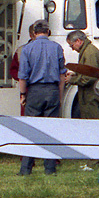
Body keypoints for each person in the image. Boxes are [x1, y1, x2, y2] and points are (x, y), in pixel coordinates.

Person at [17, 19, 67, 175]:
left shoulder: (27, 49)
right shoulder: (57, 48)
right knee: (51, 130)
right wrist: (59, 95)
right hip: (52, 90)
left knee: (31, 130)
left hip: (34, 91)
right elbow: (62, 74)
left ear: (33, 33)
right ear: (48, 32)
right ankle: (50, 169)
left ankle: (26, 168)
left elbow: (23, 76)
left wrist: (23, 94)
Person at [65, 30, 99, 120]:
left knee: (92, 124)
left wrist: (72, 80)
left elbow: (89, 77)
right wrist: (76, 74)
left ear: (78, 41)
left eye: (72, 45)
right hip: (88, 96)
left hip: (90, 97)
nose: (72, 48)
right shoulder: (88, 51)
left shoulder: (89, 53)